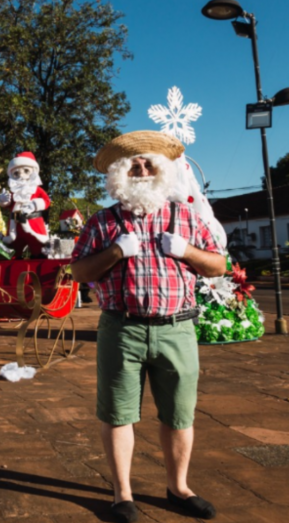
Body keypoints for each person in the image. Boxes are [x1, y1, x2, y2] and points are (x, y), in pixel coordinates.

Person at [71, 131, 225, 523]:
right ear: (121, 173)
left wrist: (186, 250)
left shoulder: (186, 217)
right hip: (122, 331)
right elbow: (79, 271)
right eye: (133, 164)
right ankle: (122, 494)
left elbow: (218, 265)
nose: (141, 169)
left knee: (179, 415)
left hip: (177, 330)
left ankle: (179, 488)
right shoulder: (102, 222)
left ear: (162, 170)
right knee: (118, 414)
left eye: (148, 163)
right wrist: (115, 251)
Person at [0, 151, 51, 258]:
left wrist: (34, 205)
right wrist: (3, 200)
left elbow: (46, 201)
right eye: (16, 173)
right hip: (15, 227)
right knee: (12, 252)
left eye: (26, 171)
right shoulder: (13, 191)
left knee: (38, 250)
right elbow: (7, 204)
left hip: (33, 225)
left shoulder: (36, 189)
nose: (21, 175)